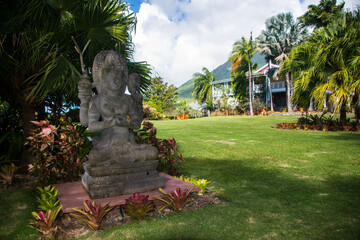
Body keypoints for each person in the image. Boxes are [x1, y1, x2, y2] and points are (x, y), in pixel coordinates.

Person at [78, 50, 157, 167]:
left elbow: (136, 124)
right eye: (112, 76)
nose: (116, 80)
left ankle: (116, 160)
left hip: (128, 144)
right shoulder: (97, 100)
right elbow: (92, 126)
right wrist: (112, 122)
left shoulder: (127, 99)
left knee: (153, 152)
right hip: (106, 145)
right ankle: (121, 160)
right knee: (94, 157)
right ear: (104, 79)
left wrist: (126, 119)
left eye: (119, 77)